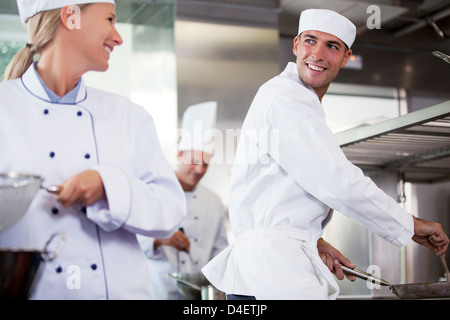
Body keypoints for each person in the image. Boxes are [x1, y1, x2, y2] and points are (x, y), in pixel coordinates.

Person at [202, 9, 449, 300]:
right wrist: (410, 225)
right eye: (310, 41)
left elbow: (279, 195)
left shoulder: (299, 102)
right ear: (295, 45)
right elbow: (339, 181)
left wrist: (311, 240)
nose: (317, 54)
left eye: (332, 46)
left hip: (269, 269)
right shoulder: (286, 98)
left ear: (346, 57)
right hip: (273, 271)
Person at [0, 0, 186, 299]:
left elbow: (171, 211)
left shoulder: (129, 116)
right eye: (110, 19)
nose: (118, 36)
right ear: (69, 16)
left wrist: (107, 187)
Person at [138, 102, 228, 299]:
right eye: (194, 162)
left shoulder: (213, 202)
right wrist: (160, 238)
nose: (199, 170)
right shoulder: (153, 190)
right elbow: (132, 237)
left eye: (205, 164)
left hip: (198, 293)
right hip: (158, 289)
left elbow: (220, 251)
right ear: (179, 154)